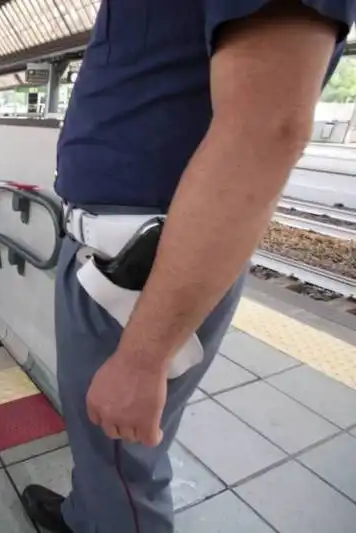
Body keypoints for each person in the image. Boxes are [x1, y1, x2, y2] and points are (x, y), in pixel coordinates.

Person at [22, 2, 356, 533]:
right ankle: (83, 515)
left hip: (138, 267)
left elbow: (265, 129)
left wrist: (142, 359)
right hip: (105, 256)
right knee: (103, 443)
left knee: (124, 460)